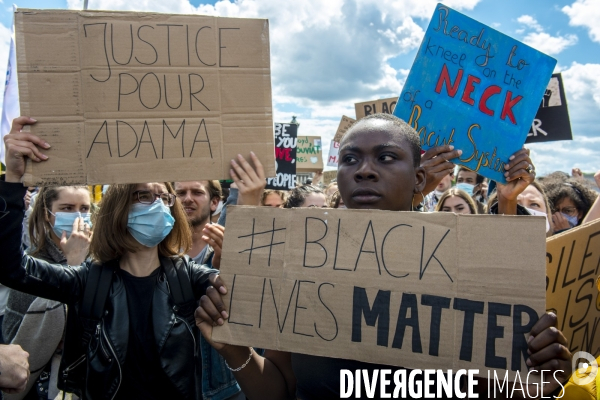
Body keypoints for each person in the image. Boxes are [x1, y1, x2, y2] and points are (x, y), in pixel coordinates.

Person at [195, 113, 573, 399]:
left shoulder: (470, 269)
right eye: (350, 159)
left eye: (387, 157)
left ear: (420, 180)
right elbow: (278, 388)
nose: (365, 171)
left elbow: (496, 387)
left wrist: (537, 377)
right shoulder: (300, 262)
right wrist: (233, 347)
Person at [0, 116, 227, 400]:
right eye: (143, 195)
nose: (157, 205)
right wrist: (12, 179)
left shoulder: (187, 277)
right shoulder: (88, 281)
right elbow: (12, 268)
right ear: (120, 209)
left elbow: (235, 292)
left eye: (164, 198)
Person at [3, 185, 93, 400]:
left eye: (84, 208)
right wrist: (74, 265)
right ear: (47, 213)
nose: (78, 216)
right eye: (68, 208)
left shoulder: (101, 262)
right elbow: (15, 341)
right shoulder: (30, 265)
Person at [173, 180, 224, 265]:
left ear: (214, 203)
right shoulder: (160, 245)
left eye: (197, 192)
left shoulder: (224, 244)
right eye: (181, 193)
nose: (188, 199)